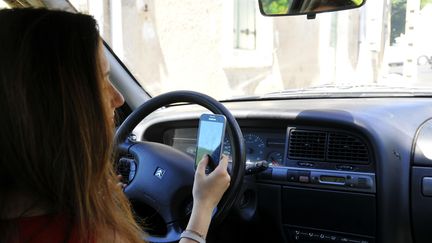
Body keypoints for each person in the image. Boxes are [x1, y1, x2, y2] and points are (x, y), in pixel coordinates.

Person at [0, 8, 230, 243]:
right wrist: (203, 203)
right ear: (60, 105)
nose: (118, 98)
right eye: (102, 80)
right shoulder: (93, 235)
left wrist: (99, 197)